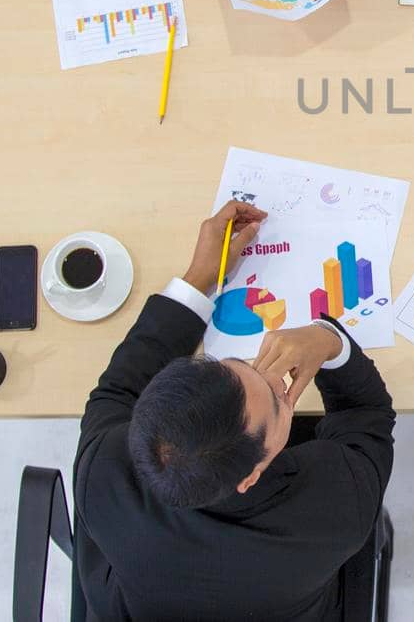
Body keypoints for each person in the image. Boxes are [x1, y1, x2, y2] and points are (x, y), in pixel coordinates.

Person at [73, 200, 395, 620]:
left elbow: (118, 388)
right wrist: (329, 343)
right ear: (252, 475)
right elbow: (366, 418)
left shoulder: (101, 472)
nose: (272, 374)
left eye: (236, 365)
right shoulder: (332, 506)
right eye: (280, 400)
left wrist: (200, 277)